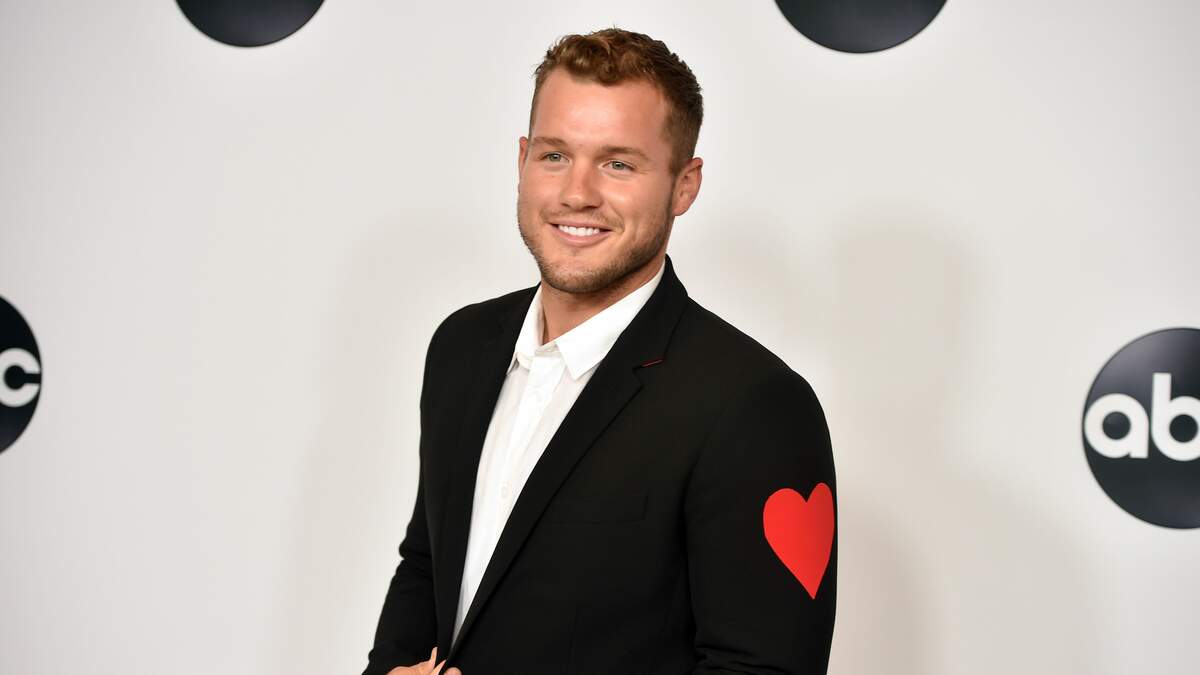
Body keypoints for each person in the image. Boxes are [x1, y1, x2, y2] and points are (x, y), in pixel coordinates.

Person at [363, 27, 837, 675]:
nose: (577, 192)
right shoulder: (461, 346)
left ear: (684, 185)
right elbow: (427, 565)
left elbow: (760, 670)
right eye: (555, 155)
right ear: (523, 159)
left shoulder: (752, 405)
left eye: (618, 164)